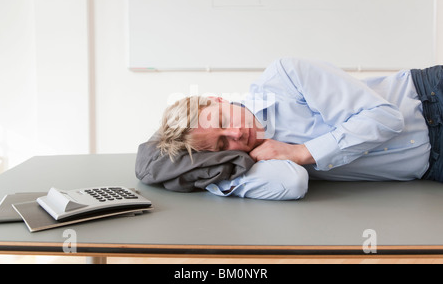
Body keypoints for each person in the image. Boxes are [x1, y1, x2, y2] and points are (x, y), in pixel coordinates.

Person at [157, 58, 443, 200]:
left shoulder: (285, 77)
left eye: (221, 121)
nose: (234, 135)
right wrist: (212, 176)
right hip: (433, 167)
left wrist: (302, 152)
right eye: (221, 146)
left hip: (431, 99)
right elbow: (292, 184)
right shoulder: (259, 162)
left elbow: (386, 118)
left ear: (218, 100)